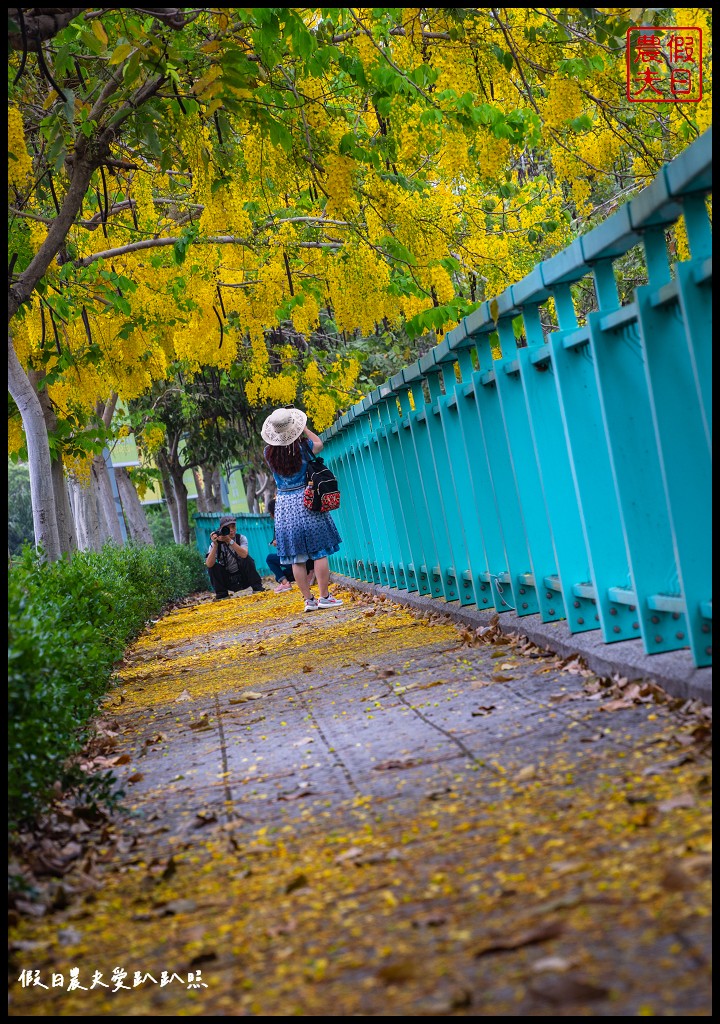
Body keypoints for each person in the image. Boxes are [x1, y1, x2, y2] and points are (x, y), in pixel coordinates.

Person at [261, 408, 343, 612]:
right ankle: (325, 597)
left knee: (296, 557)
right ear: (293, 428)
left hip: (284, 506)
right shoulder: (303, 448)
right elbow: (320, 445)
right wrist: (304, 428)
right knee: (319, 551)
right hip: (307, 500)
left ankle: (308, 600)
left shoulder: (268, 453)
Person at [205, 515, 266, 600]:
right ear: (221, 529)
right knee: (213, 567)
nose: (231, 530)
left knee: (247, 559)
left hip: (243, 577)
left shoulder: (241, 538)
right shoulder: (215, 543)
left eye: (233, 527)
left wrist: (229, 541)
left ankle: (257, 588)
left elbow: (244, 554)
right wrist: (215, 545)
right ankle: (222, 595)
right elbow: (208, 564)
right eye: (227, 528)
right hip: (228, 579)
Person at [266, 497, 315, 594]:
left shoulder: (280, 524)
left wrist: (277, 542)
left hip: (298, 558)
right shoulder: (295, 517)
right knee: (280, 576)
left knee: (270, 559)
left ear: (272, 514)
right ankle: (309, 573)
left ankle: (285, 583)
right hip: (310, 559)